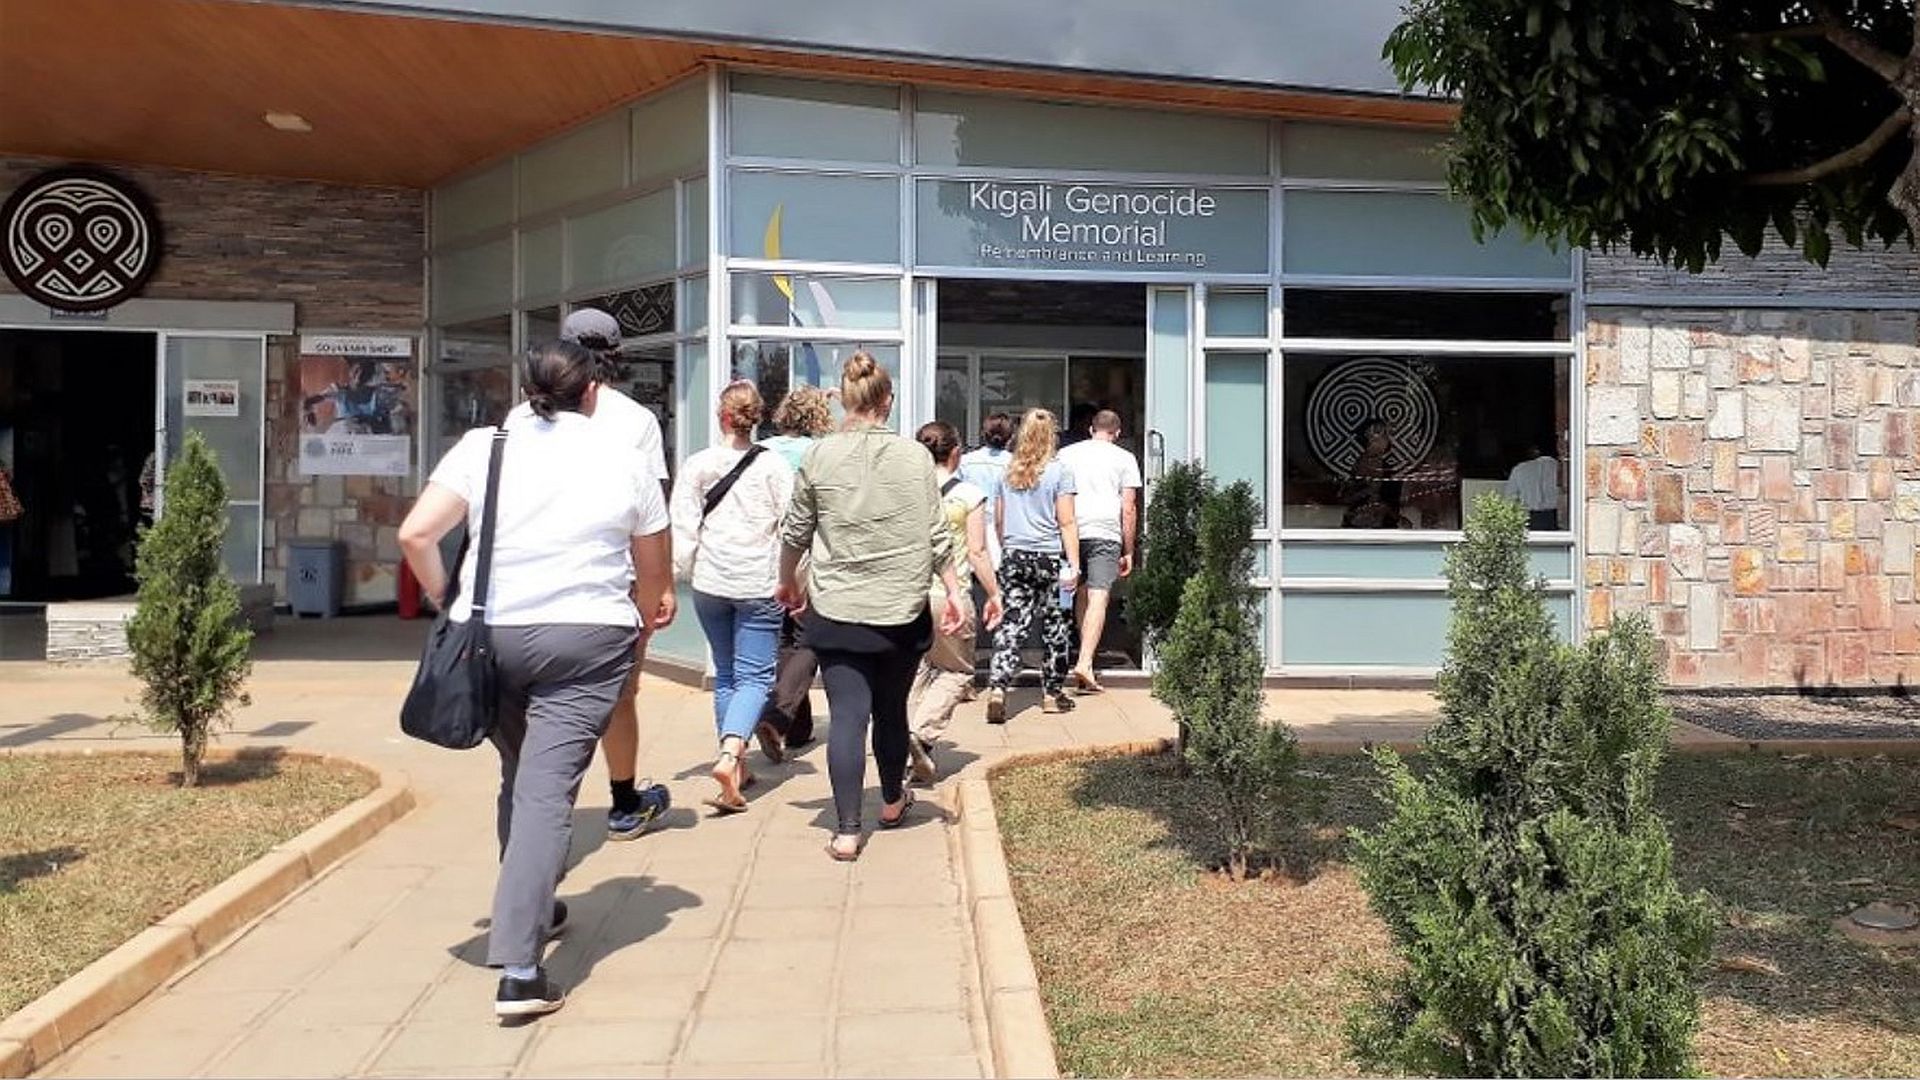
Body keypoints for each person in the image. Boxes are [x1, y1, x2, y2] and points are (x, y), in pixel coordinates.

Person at [398, 338, 674, 1019]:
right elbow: (655, 572)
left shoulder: (483, 446)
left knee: (521, 777)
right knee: (546, 791)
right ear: (591, 392)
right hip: (587, 638)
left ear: (527, 390)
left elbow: (415, 536)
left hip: (492, 637)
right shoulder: (624, 456)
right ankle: (520, 970)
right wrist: (643, 618)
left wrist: (445, 600)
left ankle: (534, 907)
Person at [776, 352, 965, 862]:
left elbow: (796, 530)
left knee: (847, 717)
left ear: (847, 399)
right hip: (900, 607)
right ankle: (889, 800)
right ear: (888, 402)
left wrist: (786, 584)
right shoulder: (915, 457)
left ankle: (845, 830)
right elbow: (936, 532)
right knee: (890, 710)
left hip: (837, 607)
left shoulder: (818, 457)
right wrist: (952, 590)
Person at [524, 309, 675, 841]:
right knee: (619, 693)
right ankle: (624, 800)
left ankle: (536, 807)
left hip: (533, 576)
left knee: (540, 698)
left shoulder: (523, 418)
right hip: (615, 583)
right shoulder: (635, 420)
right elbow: (652, 513)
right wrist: (661, 587)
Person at [671, 381, 794, 812]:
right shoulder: (775, 467)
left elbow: (683, 528)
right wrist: (795, 576)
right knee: (757, 678)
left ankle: (736, 768)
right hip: (758, 582)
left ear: (722, 416)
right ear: (756, 417)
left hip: (711, 583)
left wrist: (681, 575)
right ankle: (730, 756)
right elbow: (791, 526)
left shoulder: (698, 465)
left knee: (725, 674)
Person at [907, 420, 1004, 784]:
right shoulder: (969, 495)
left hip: (907, 595)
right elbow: (977, 552)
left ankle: (902, 732)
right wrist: (994, 594)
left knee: (914, 670)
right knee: (958, 670)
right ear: (956, 453)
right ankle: (921, 733)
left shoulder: (905, 492)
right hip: (950, 597)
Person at [985, 409, 1080, 723]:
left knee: (1013, 623)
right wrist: (1074, 564)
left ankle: (999, 686)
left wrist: (1007, 546)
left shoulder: (1008, 471)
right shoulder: (1059, 471)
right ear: (1051, 436)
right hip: (1050, 557)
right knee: (1057, 626)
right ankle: (1052, 693)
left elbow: (999, 519)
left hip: (1015, 554)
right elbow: (1066, 521)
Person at [755, 387, 835, 755]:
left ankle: (798, 728)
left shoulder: (762, 451)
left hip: (765, 556)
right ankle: (779, 714)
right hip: (807, 556)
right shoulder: (818, 453)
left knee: (786, 639)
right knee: (811, 636)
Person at [1056, 409, 1141, 694]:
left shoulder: (1067, 454)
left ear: (1091, 429)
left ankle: (1080, 654)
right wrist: (1129, 550)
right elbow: (1128, 508)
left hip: (1071, 530)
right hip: (1105, 531)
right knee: (1098, 595)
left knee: (1076, 593)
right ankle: (1085, 661)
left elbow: (1056, 493)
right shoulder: (1125, 458)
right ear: (1117, 433)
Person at [958, 413, 1014, 569]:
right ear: (1011, 437)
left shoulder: (966, 462)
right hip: (1006, 527)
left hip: (971, 525)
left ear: (984, 434)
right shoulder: (1015, 464)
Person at [1339, 418, 1407, 529]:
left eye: (1386, 435)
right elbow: (1347, 497)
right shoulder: (1359, 466)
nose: (1386, 439)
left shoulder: (1387, 468)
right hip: (1360, 527)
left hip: (1380, 528)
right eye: (1380, 435)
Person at [1504, 439, 1561, 531]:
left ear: (1535, 450)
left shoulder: (1520, 469)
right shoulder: (1562, 469)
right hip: (1557, 518)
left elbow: (1510, 499)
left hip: (1529, 518)